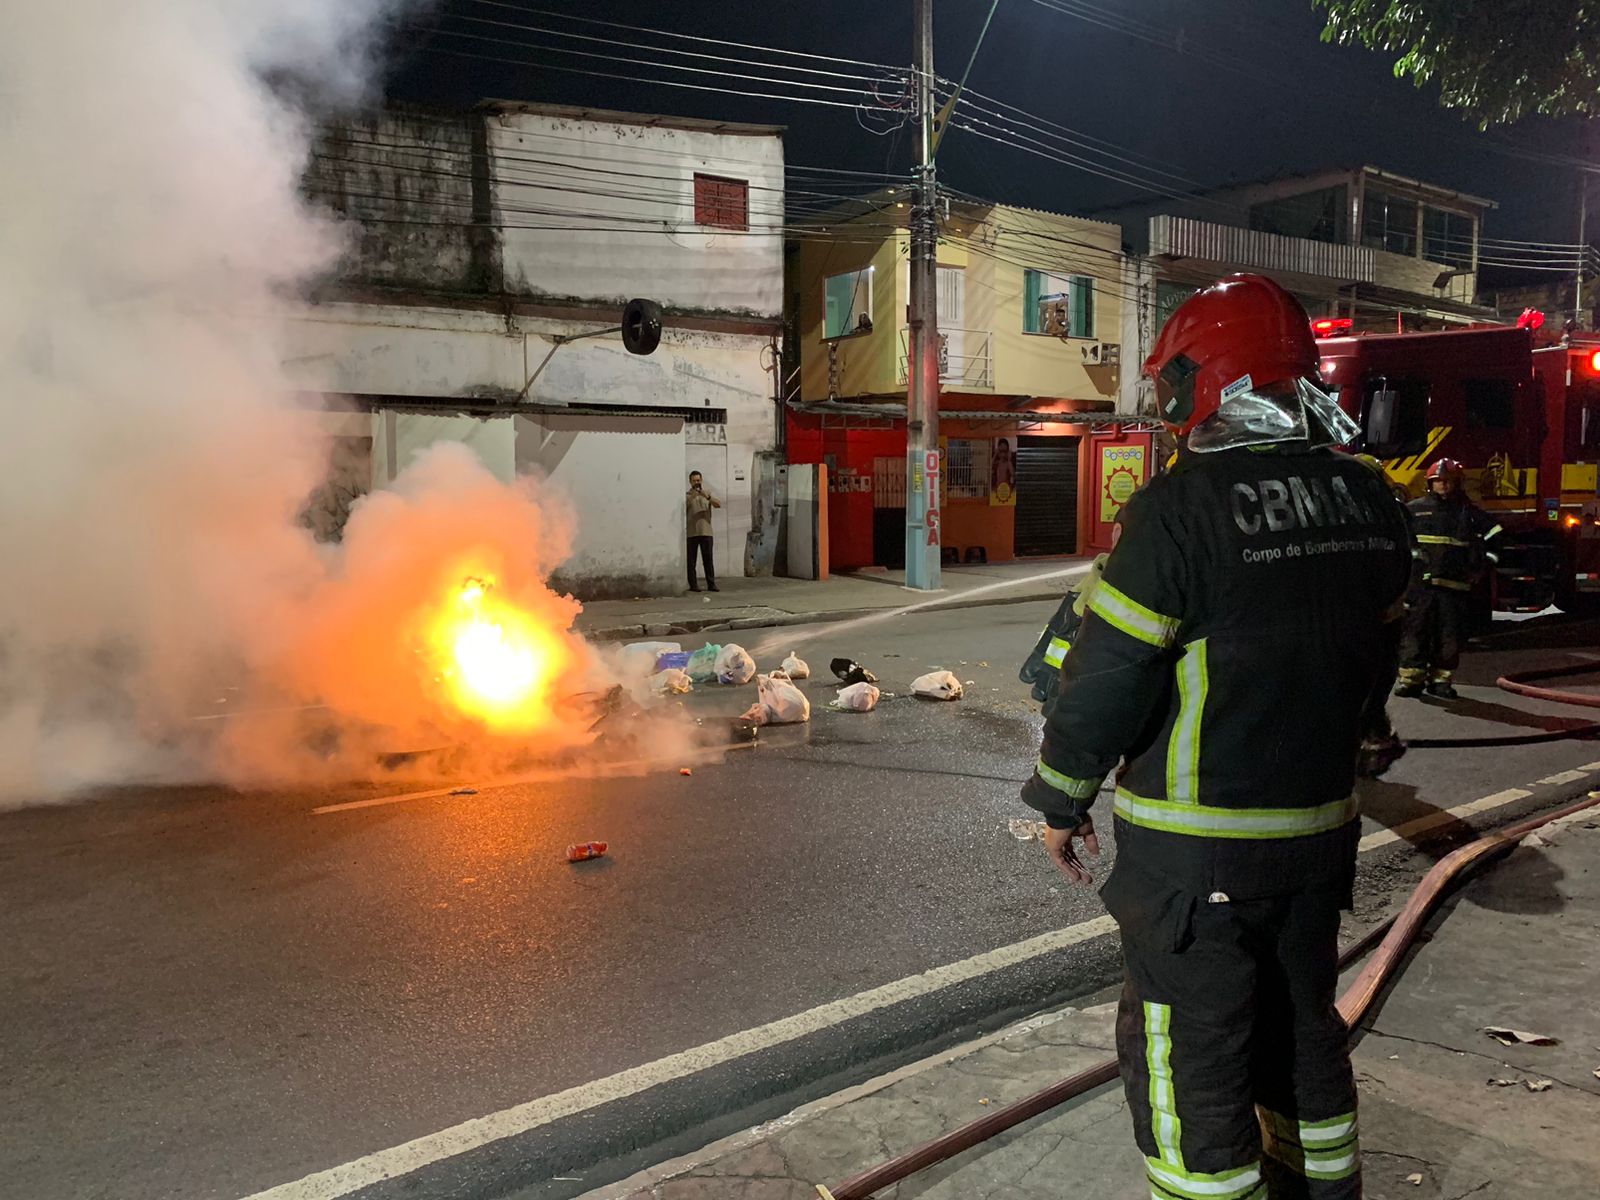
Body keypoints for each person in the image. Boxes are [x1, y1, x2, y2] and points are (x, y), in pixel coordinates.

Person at [1021, 274, 1411, 1200]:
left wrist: (1059, 799)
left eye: (1175, 380)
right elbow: (1377, 665)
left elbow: (1106, 680)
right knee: (1302, 1035)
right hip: (1317, 841)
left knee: (1191, 1056)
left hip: (1194, 862)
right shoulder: (1370, 501)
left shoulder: (1177, 511)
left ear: (1214, 380)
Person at [1394, 458, 1501, 700]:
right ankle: (1411, 680)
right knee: (1414, 633)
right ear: (1430, 484)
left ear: (1457, 484)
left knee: (1449, 638)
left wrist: (1484, 565)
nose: (1443, 486)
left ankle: (1441, 681)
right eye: (1438, 481)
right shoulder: (1413, 509)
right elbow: (1400, 542)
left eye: (1448, 481)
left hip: (1454, 588)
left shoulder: (1468, 513)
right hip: (1420, 587)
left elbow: (1496, 535)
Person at [685, 470, 721, 593]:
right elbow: (682, 508)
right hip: (692, 533)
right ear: (690, 482)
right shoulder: (687, 496)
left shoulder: (707, 494)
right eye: (694, 480)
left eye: (698, 480)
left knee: (708, 560)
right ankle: (693, 585)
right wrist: (693, 496)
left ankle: (711, 584)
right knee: (691, 561)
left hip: (706, 532)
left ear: (701, 480)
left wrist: (708, 497)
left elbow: (718, 504)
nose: (697, 483)